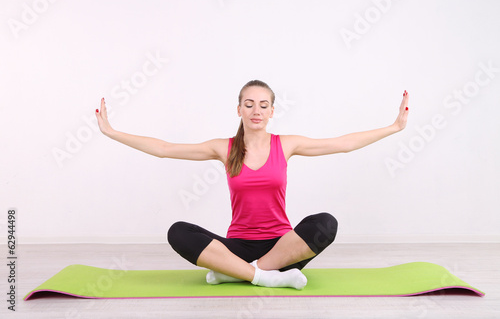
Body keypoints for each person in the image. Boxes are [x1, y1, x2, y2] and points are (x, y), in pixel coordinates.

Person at [95, 80, 409, 290]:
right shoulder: (224, 147)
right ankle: (266, 278)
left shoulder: (286, 144)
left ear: (272, 111)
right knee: (178, 231)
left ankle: (240, 272)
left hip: (284, 247)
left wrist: (395, 127)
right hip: (237, 245)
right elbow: (165, 149)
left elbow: (342, 144)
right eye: (249, 104)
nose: (256, 110)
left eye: (262, 104)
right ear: (239, 109)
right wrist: (112, 132)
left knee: (326, 224)